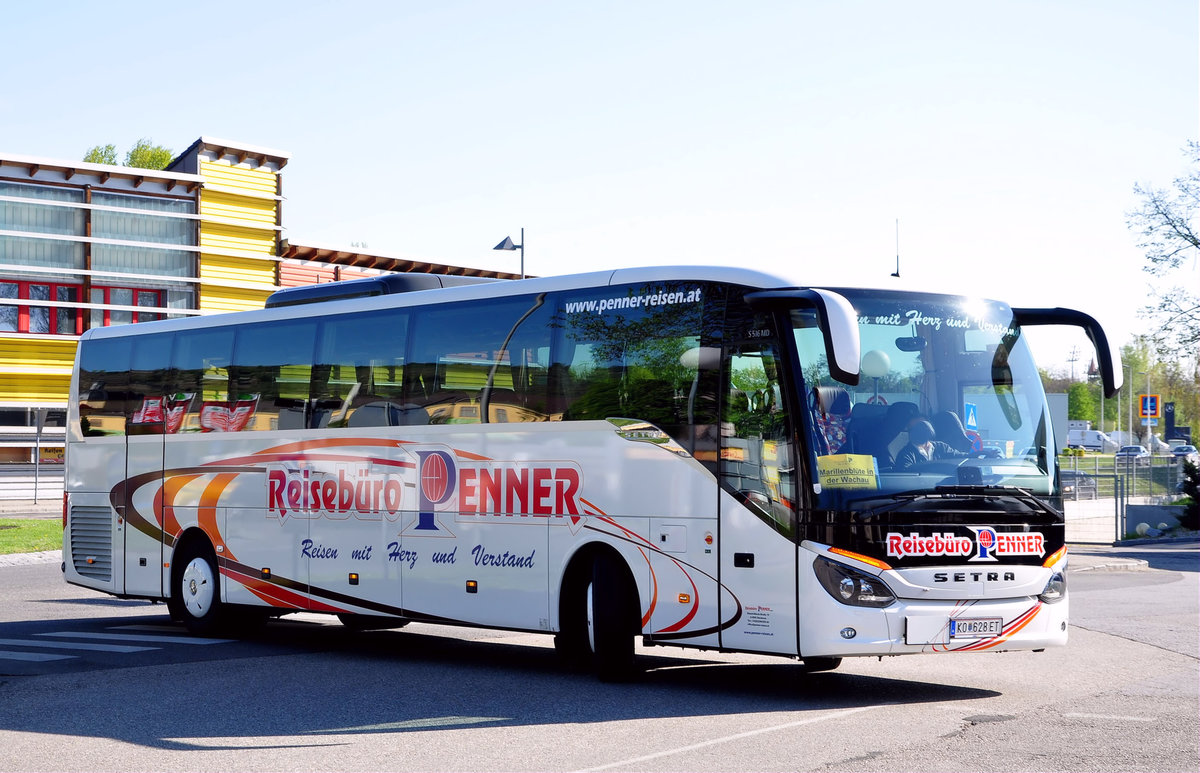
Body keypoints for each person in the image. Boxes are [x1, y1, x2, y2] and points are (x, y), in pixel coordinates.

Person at [894, 419, 968, 470]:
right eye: (915, 427)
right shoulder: (905, 455)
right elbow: (907, 475)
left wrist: (975, 455)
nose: (920, 429)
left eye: (923, 426)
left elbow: (959, 457)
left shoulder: (941, 447)